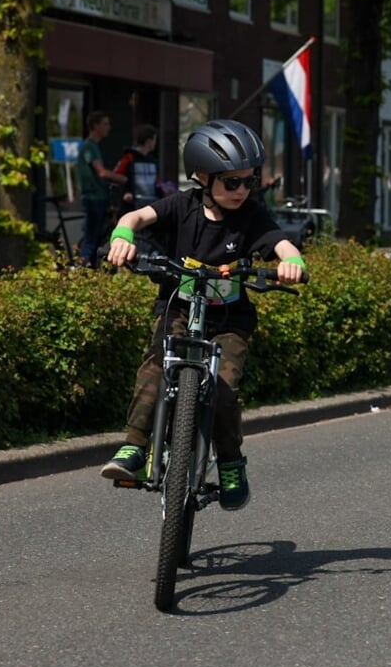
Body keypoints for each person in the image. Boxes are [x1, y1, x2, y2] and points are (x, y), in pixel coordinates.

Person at [100, 119, 308, 511]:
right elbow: (135, 218)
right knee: (155, 368)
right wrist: (122, 237)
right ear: (202, 177)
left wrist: (291, 260)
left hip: (229, 322)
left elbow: (280, 242)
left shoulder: (252, 216)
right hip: (177, 309)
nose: (242, 190)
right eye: (232, 182)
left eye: (250, 181)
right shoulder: (181, 206)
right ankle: (134, 446)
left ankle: (230, 462)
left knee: (225, 391)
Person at [76, 111, 127, 265]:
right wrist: (123, 179)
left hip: (98, 197)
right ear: (95, 126)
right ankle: (82, 269)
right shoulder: (89, 147)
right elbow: (101, 172)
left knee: (96, 237)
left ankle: (90, 269)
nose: (108, 128)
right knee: (91, 238)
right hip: (94, 198)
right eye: (105, 124)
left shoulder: (93, 146)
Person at [111, 123, 166, 220]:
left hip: (150, 204)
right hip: (132, 204)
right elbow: (117, 177)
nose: (155, 143)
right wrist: (125, 191)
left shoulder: (152, 161)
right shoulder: (129, 158)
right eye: (154, 140)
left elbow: (155, 182)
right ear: (149, 141)